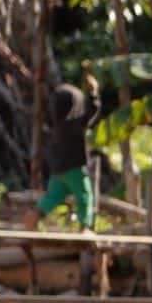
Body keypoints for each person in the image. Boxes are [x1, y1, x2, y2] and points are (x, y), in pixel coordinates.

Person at [39, 83, 98, 228]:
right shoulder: (73, 124)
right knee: (85, 197)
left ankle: (33, 217)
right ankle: (85, 227)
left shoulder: (58, 126)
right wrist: (94, 93)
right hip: (74, 168)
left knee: (52, 197)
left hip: (58, 169)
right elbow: (91, 113)